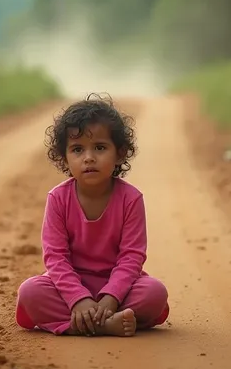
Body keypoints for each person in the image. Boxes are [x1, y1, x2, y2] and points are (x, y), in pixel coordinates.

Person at [15, 94, 169, 337]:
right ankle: (106, 325)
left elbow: (132, 257)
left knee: (154, 293)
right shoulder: (58, 199)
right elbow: (55, 258)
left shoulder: (131, 199)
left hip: (119, 287)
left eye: (99, 147)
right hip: (70, 287)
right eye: (77, 149)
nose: (88, 157)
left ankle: (83, 323)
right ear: (64, 157)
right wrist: (78, 299)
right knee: (30, 291)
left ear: (119, 153)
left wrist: (111, 299)